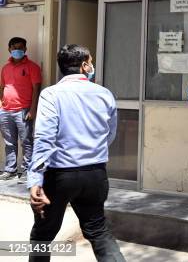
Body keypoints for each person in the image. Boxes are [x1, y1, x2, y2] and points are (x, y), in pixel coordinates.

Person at [28, 44, 125, 261]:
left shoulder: (51, 95)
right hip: (95, 174)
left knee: (42, 236)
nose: (92, 65)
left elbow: (44, 138)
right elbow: (109, 134)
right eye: (90, 61)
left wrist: (35, 179)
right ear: (83, 66)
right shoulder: (104, 94)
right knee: (99, 231)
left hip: (60, 175)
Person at [0, 37, 41, 183]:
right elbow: (3, 87)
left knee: (27, 141)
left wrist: (33, 109)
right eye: (14, 47)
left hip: (23, 110)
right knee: (9, 143)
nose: (17, 50)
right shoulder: (5, 68)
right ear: (9, 49)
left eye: (20, 47)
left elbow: (36, 88)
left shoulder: (33, 67)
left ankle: (27, 170)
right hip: (5, 111)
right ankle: (10, 170)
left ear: (25, 49)